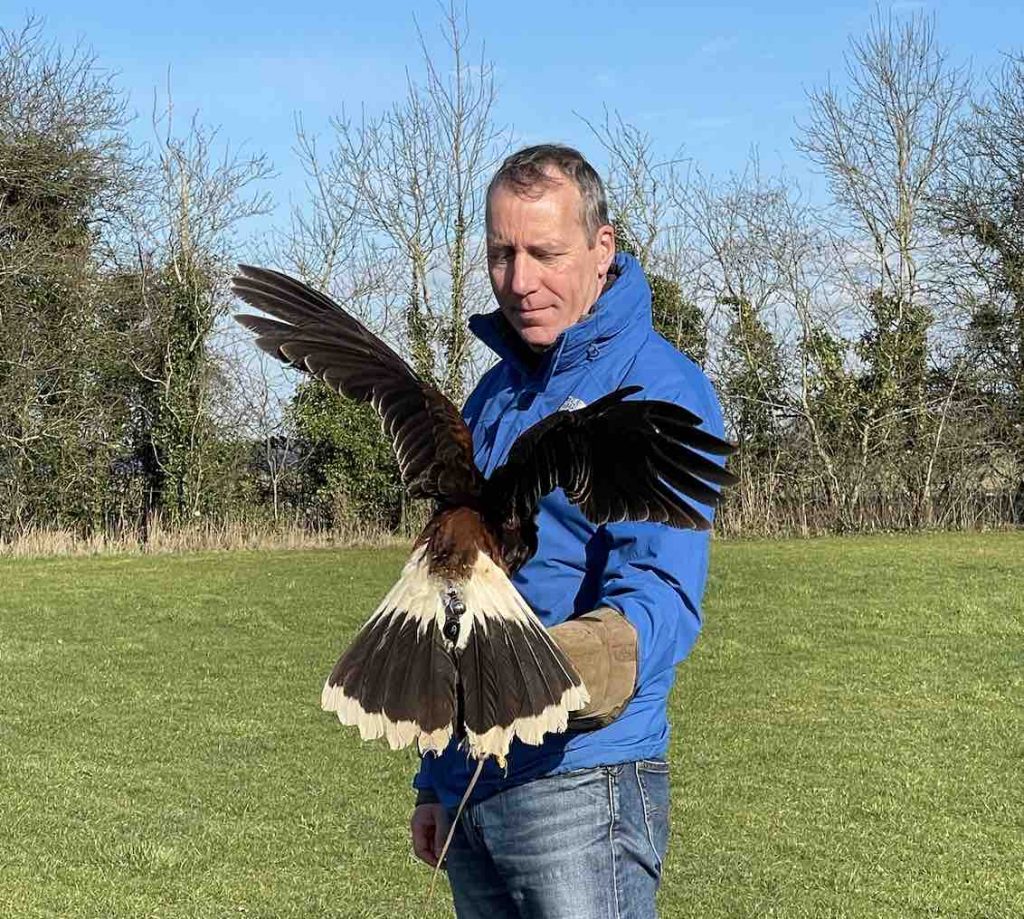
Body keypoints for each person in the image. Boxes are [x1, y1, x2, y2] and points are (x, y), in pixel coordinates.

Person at [409, 144, 726, 918]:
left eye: (545, 253)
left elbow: (657, 593)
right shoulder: (491, 397)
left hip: (583, 782)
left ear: (601, 248)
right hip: (477, 786)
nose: (520, 282)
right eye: (501, 254)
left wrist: (566, 666)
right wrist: (437, 780)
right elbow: (461, 596)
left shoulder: (660, 390)